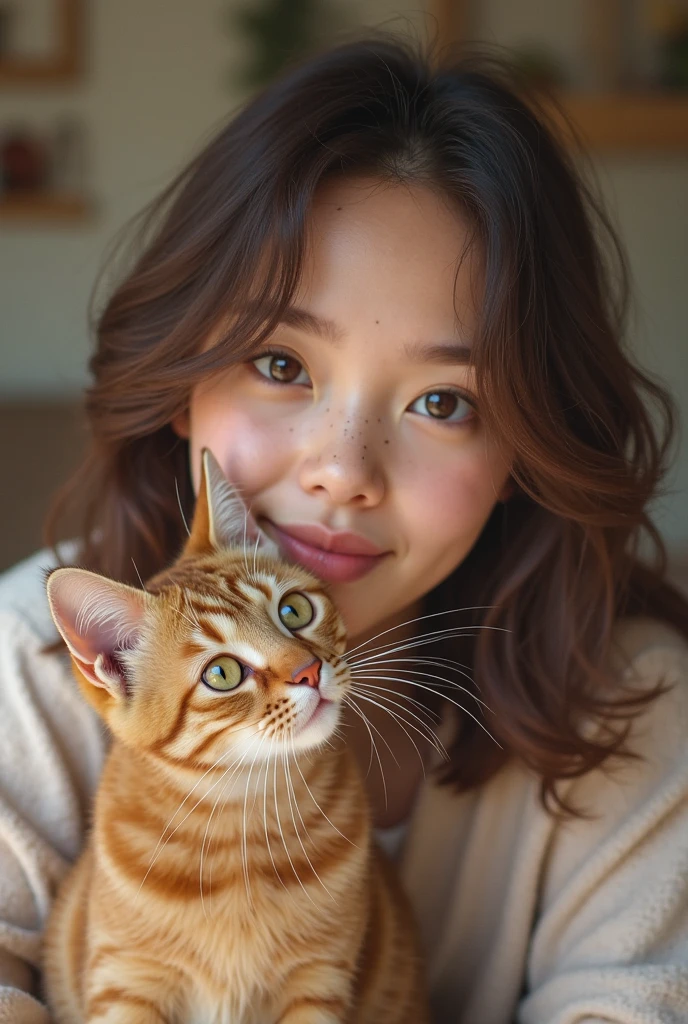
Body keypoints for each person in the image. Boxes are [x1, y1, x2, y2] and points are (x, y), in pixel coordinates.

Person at [1, 31, 688, 1024]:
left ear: (524, 453)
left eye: (445, 402)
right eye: (281, 364)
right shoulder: (29, 664)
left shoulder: (636, 708)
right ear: (182, 383)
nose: (343, 473)